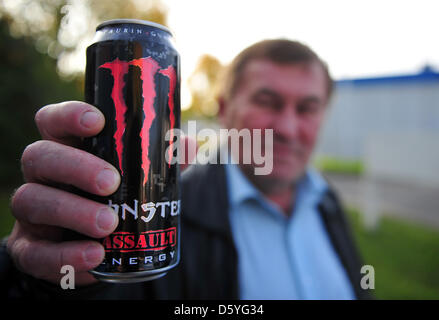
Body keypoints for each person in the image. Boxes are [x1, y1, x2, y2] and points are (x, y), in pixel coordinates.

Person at [1, 39, 371, 299]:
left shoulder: (327, 203)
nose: (288, 129)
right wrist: (46, 282)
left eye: (307, 108)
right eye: (267, 102)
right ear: (224, 109)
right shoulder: (165, 214)